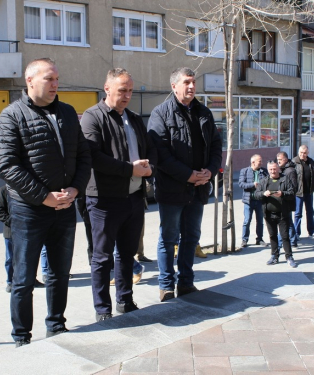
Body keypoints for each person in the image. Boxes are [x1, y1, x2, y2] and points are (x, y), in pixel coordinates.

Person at [0, 58, 91, 347]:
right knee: (23, 279)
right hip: (29, 210)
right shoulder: (11, 116)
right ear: (30, 81)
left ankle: (57, 325)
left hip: (64, 206)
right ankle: (21, 337)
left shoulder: (68, 112)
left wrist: (74, 189)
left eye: (57, 78)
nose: (55, 84)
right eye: (49, 78)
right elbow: (7, 166)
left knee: (60, 273)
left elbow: (83, 156)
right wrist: (44, 197)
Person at [80, 68, 156, 322]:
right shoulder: (92, 117)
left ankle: (125, 300)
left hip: (134, 198)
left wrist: (148, 168)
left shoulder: (133, 118)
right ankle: (103, 309)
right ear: (107, 89)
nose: (127, 95)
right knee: (102, 258)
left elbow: (147, 149)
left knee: (126, 254)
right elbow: (93, 157)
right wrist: (130, 169)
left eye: (130, 90)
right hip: (104, 201)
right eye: (122, 90)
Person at [148, 67, 222, 302]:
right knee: (169, 239)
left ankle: (186, 283)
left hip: (199, 188)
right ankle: (166, 285)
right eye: (186, 82)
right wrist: (187, 175)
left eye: (193, 82)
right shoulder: (160, 114)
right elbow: (160, 153)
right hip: (172, 189)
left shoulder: (204, 113)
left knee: (191, 237)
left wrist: (209, 172)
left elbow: (217, 146)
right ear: (174, 86)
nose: (191, 86)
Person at [0, 186, 46, 292]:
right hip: (11, 231)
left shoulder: (26, 188)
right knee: (11, 258)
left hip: (28, 230)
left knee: (29, 257)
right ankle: (10, 282)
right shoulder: (3, 190)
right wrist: (13, 223)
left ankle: (31, 279)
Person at [254, 160, 296, 268]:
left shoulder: (285, 179)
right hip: (268, 214)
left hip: (283, 213)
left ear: (278, 168)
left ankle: (289, 257)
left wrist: (282, 194)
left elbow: (292, 192)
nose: (273, 171)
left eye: (274, 169)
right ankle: (274, 256)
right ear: (268, 170)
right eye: (270, 169)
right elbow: (256, 194)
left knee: (285, 236)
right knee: (272, 236)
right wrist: (264, 193)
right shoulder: (264, 181)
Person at [238, 154, 269, 248]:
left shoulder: (264, 171)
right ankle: (244, 240)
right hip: (249, 201)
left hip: (260, 200)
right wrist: (252, 184)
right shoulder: (245, 171)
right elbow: (241, 184)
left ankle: (259, 239)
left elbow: (268, 183)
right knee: (247, 220)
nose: (261, 163)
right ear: (253, 162)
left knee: (260, 221)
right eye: (259, 161)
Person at [292, 145, 314, 240]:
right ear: (298, 152)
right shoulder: (294, 162)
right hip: (299, 193)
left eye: (304, 153)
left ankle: (311, 232)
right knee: (298, 213)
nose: (302, 155)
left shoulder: (311, 161)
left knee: (310, 212)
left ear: (308, 153)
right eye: (301, 153)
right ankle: (296, 233)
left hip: (309, 191)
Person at [276, 152, 298, 249]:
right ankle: (293, 240)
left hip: (287, 200)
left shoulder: (290, 171)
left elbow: (293, 187)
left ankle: (283, 242)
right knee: (288, 221)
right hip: (283, 200)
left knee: (285, 221)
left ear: (285, 159)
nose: (278, 161)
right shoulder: (284, 169)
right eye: (277, 160)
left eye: (280, 160)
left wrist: (284, 193)